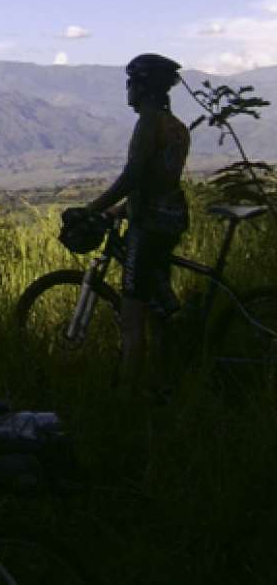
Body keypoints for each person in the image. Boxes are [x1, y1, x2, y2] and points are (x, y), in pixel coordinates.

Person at [69, 53, 190, 397]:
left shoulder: (149, 123)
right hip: (170, 219)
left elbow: (133, 177)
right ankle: (166, 382)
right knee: (159, 307)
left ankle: (126, 397)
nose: (127, 90)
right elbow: (157, 183)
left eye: (131, 83)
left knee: (133, 317)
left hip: (148, 225)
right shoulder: (176, 126)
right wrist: (115, 212)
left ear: (143, 87)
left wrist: (92, 208)